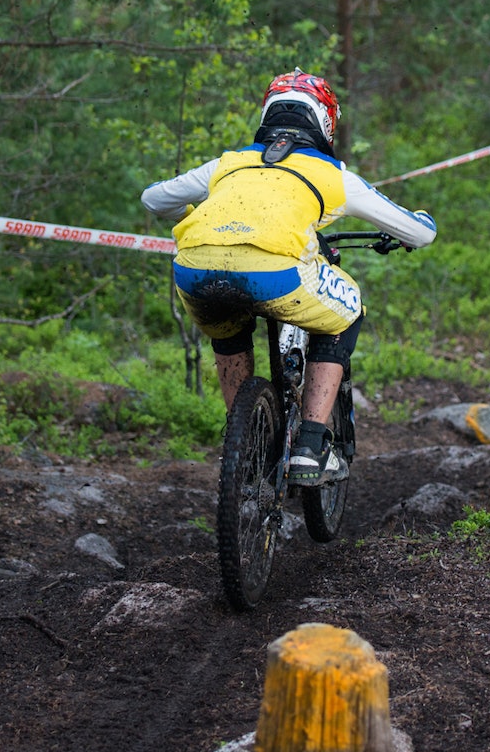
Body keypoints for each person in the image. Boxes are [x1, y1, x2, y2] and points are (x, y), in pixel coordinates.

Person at [142, 68, 437, 484]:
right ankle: (310, 446)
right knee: (348, 311)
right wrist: (421, 220)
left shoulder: (228, 163)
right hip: (279, 275)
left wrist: (194, 216)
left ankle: (244, 440)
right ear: (325, 121)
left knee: (228, 329)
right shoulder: (333, 174)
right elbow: (420, 234)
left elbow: (153, 198)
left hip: (194, 269)